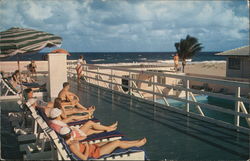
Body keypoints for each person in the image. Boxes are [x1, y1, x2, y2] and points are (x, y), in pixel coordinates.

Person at [59, 126, 147, 160]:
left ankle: (135, 141)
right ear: (69, 133)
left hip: (93, 147)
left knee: (111, 141)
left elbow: (81, 139)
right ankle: (137, 144)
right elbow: (85, 158)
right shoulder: (72, 146)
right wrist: (87, 147)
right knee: (116, 142)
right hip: (95, 153)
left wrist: (85, 144)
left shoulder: (69, 141)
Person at [48, 108, 118, 140]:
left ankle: (107, 129)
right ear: (57, 116)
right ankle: (109, 128)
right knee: (90, 123)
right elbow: (68, 136)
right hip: (75, 135)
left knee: (92, 131)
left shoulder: (53, 123)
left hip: (73, 133)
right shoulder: (58, 123)